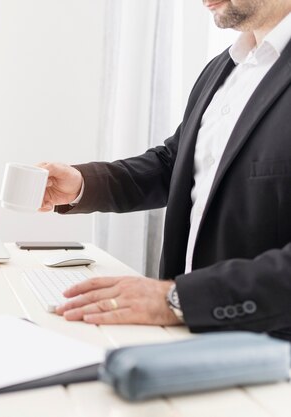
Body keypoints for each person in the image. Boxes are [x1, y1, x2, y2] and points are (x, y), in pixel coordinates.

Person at [40, 0, 291, 340]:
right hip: (192, 336)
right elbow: (174, 164)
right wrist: (84, 183)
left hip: (272, 353)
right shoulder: (223, 68)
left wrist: (178, 300)